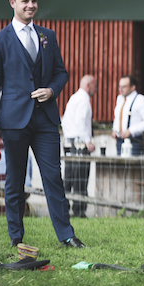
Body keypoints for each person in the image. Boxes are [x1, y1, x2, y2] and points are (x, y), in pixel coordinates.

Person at [0, 0, 85, 248]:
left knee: (53, 178)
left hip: (46, 120)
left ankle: (67, 236)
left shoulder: (47, 36)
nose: (31, 6)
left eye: (34, 2)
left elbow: (61, 73)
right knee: (15, 181)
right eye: (25, 1)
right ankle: (16, 238)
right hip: (13, 121)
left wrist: (52, 91)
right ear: (12, 3)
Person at [62, 75, 97, 218]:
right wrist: (87, 140)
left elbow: (64, 122)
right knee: (80, 178)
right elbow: (81, 121)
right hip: (80, 144)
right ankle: (79, 210)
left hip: (69, 143)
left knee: (69, 178)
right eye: (95, 86)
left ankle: (64, 209)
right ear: (88, 85)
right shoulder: (83, 100)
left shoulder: (73, 98)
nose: (96, 89)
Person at [111, 75, 144, 156]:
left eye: (124, 87)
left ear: (133, 87)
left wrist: (131, 130)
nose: (120, 89)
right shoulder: (120, 99)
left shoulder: (140, 99)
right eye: (119, 87)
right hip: (120, 140)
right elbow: (118, 117)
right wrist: (115, 129)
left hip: (134, 141)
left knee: (133, 167)